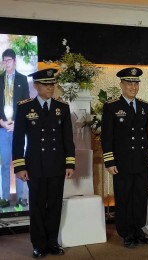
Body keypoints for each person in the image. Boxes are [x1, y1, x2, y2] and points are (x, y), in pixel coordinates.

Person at [12, 68, 75, 258]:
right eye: (46, 85)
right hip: (35, 165)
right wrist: (20, 166)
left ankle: (52, 242)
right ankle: (39, 244)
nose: (50, 88)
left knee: (55, 205)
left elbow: (67, 138)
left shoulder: (61, 107)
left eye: (52, 84)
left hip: (56, 164)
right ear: (36, 86)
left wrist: (69, 163)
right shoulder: (25, 107)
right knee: (38, 205)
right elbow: (17, 140)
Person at [101, 67, 148, 248]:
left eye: (135, 83)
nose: (133, 86)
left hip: (141, 160)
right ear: (121, 85)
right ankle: (126, 233)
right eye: (129, 83)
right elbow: (106, 137)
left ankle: (138, 229)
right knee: (124, 197)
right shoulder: (112, 107)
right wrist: (109, 161)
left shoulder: (144, 106)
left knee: (140, 196)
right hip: (122, 162)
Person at [0, 48, 30, 208]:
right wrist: (2, 122)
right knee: (5, 163)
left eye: (9, 60)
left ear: (15, 61)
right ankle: (4, 197)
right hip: (2, 127)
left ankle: (21, 197)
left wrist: (17, 123)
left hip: (18, 128)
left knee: (20, 162)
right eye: (4, 60)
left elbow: (25, 103)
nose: (6, 63)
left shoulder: (22, 79)